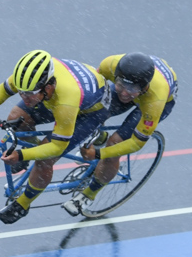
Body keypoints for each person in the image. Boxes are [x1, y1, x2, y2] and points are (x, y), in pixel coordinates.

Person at [0, 50, 110, 224]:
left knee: (45, 160)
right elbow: (3, 90)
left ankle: (22, 204)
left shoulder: (67, 99)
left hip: (91, 110)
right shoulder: (29, 78)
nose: (24, 97)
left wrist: (22, 155)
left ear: (48, 87)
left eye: (29, 94)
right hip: (60, 93)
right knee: (16, 117)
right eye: (21, 92)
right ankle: (34, 150)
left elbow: (57, 147)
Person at [62, 52, 178, 215]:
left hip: (156, 101)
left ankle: (88, 195)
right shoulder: (109, 65)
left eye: (132, 89)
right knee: (93, 109)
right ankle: (100, 135)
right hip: (139, 85)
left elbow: (136, 143)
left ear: (144, 87)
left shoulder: (155, 99)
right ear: (116, 75)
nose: (124, 93)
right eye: (121, 85)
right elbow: (92, 91)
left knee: (115, 144)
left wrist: (98, 154)